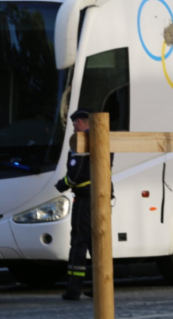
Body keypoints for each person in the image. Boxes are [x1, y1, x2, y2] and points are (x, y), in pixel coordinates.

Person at [55, 109, 112, 301]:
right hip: (101, 197)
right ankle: (99, 287)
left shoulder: (80, 142)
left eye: (74, 124)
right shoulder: (104, 138)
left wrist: (62, 185)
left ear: (82, 122)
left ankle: (73, 289)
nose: (74, 127)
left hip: (84, 199)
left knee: (79, 242)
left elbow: (75, 172)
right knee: (97, 243)